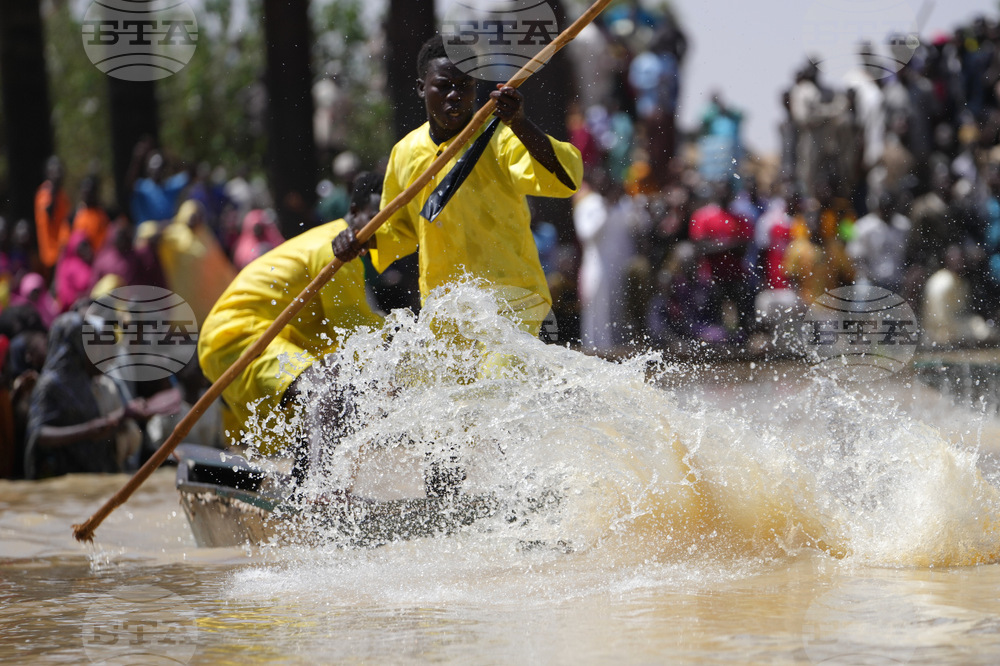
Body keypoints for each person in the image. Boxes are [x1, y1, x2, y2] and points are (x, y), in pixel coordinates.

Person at [333, 35, 583, 337]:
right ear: (421, 88)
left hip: (511, 302)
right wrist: (358, 240)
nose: (455, 95)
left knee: (497, 369)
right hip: (444, 311)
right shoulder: (405, 152)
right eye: (443, 86)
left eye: (464, 85)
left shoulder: (501, 136)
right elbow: (400, 230)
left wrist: (519, 122)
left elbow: (565, 179)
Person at [198, 173, 385, 462]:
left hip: (254, 336)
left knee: (325, 392)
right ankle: (320, 487)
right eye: (376, 217)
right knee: (324, 388)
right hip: (239, 335)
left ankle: (304, 482)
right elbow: (358, 335)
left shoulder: (334, 243)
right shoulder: (335, 251)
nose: (383, 228)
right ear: (355, 211)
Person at [34, 156, 71, 279]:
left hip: (63, 251)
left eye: (60, 169)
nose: (58, 173)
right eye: (55, 170)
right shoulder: (44, 192)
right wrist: (53, 189)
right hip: (51, 256)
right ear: (48, 173)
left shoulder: (62, 194)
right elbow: (48, 214)